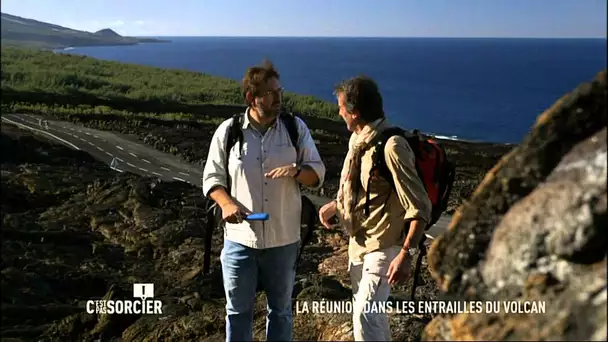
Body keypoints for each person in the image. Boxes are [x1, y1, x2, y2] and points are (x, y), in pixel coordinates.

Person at [202, 59, 326, 341]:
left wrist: (297, 171)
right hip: (239, 241)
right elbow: (212, 178)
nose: (278, 98)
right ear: (251, 97)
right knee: (237, 312)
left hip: (283, 241)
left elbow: (317, 173)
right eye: (270, 93)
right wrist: (226, 204)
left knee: (281, 311)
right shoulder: (229, 131)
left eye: (279, 91)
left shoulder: (295, 128)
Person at [318, 76, 432, 341]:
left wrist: (406, 254)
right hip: (359, 244)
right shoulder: (358, 141)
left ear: (355, 112)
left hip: (386, 246)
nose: (338, 112)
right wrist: (336, 206)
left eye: (341, 107)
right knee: (373, 320)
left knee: (365, 314)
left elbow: (419, 205)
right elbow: (366, 190)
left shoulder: (392, 146)